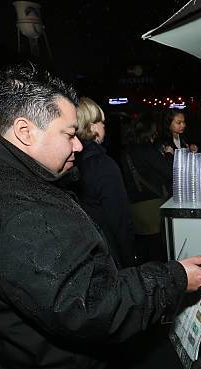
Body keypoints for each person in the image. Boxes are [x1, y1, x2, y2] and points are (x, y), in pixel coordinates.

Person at [0, 63, 201, 369]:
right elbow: (90, 306)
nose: (78, 145)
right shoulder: (19, 211)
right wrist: (174, 277)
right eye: (68, 134)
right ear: (25, 131)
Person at [74, 96, 136, 268]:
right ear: (92, 126)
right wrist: (130, 261)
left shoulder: (69, 161)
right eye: (102, 122)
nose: (104, 127)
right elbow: (119, 220)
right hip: (109, 254)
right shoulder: (102, 164)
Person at [121, 115, 172, 262]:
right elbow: (168, 172)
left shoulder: (126, 151)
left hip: (134, 207)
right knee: (158, 251)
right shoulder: (148, 150)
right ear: (150, 132)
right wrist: (168, 154)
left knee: (144, 251)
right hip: (152, 207)